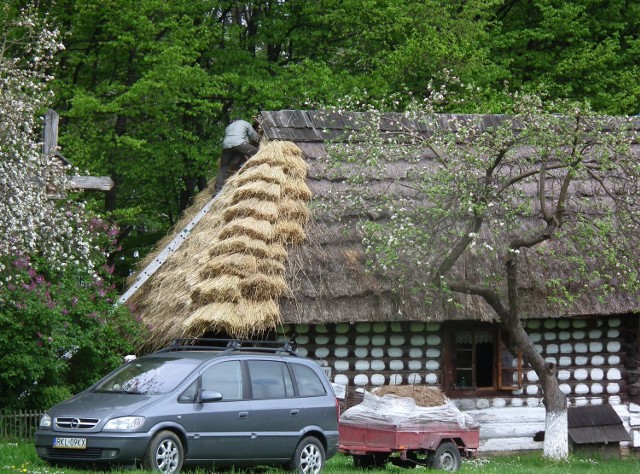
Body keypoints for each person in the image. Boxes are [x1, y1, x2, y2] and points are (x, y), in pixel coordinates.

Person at [213, 118, 260, 194]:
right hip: (238, 143)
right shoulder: (245, 123)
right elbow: (253, 135)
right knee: (257, 153)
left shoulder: (229, 126)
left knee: (223, 168)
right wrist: (260, 139)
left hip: (226, 146)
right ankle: (252, 172)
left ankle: (217, 190)